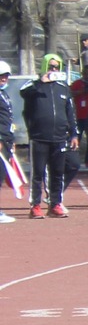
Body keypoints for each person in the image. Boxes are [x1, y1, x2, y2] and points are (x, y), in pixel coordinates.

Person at [21, 54, 77, 218]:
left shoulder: (64, 88)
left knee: (57, 172)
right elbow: (23, 93)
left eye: (56, 67)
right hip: (39, 137)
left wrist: (74, 133)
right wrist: (41, 82)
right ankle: (35, 206)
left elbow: (71, 113)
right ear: (45, 66)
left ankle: (55, 204)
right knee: (38, 173)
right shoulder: (34, 85)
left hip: (59, 137)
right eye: (51, 66)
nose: (53, 70)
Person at [71, 64, 88, 167]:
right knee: (77, 139)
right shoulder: (77, 83)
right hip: (79, 115)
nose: (87, 76)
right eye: (85, 74)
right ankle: (74, 160)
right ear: (82, 74)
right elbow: (70, 93)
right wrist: (80, 92)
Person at [0, 60, 16, 224]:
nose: (3, 79)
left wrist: (11, 140)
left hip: (6, 140)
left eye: (5, 76)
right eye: (1, 76)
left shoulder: (4, 94)